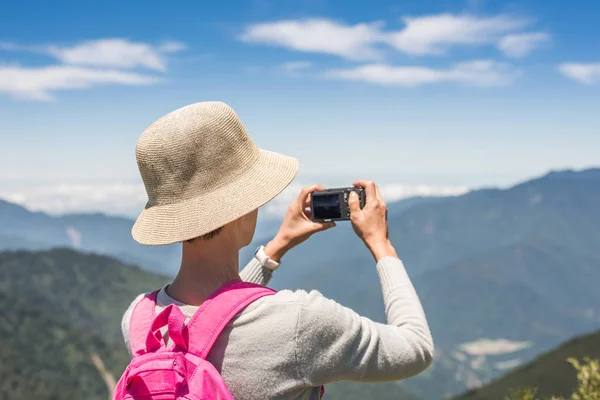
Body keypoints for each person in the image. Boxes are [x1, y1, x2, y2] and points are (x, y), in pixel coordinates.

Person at [122, 101, 434, 399]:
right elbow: (416, 348)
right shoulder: (301, 322)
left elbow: (212, 321)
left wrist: (276, 248)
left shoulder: (140, 321)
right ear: (240, 205)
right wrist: (382, 245)